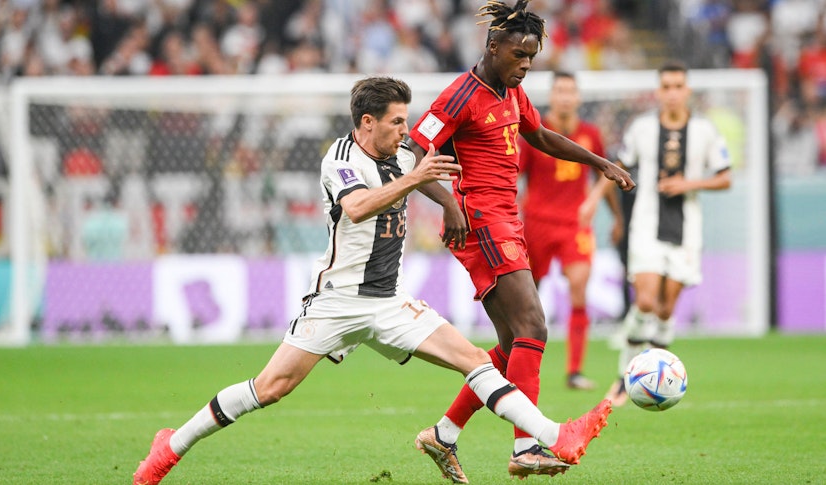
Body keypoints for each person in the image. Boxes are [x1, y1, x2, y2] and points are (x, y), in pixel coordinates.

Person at [133, 76, 600, 485]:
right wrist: (416, 178)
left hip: (390, 302)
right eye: (397, 122)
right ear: (367, 122)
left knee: (475, 359)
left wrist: (450, 200)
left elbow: (435, 169)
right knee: (270, 388)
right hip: (336, 302)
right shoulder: (338, 158)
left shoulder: (399, 158)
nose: (405, 130)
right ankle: (171, 446)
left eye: (406, 120)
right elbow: (357, 207)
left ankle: (549, 437)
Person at [406, 1, 635, 482]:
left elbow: (543, 137)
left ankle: (443, 434)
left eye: (532, 57)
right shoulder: (459, 96)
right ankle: (527, 446)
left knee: (512, 345)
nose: (526, 65)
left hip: (506, 221)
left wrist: (601, 163)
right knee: (533, 324)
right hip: (482, 222)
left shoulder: (511, 91)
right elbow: (412, 153)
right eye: (518, 55)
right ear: (493, 47)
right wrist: (448, 204)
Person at [602, 61, 732, 407]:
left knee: (664, 310)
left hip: (686, 230)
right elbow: (617, 167)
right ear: (658, 92)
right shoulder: (641, 128)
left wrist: (689, 183)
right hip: (645, 225)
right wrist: (594, 204)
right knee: (645, 301)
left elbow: (725, 176)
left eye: (678, 86)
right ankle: (622, 378)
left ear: (687, 91)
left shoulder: (705, 130)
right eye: (666, 86)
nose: (672, 93)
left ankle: (658, 379)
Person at [517, 71, 622, 391]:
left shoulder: (590, 134)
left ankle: (575, 371)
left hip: (575, 224)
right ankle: (515, 360)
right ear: (553, 96)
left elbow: (606, 172)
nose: (565, 96)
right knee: (525, 297)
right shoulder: (534, 132)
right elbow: (514, 176)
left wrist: (603, 208)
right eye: (559, 91)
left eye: (570, 91)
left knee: (579, 287)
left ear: (578, 98)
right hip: (536, 223)